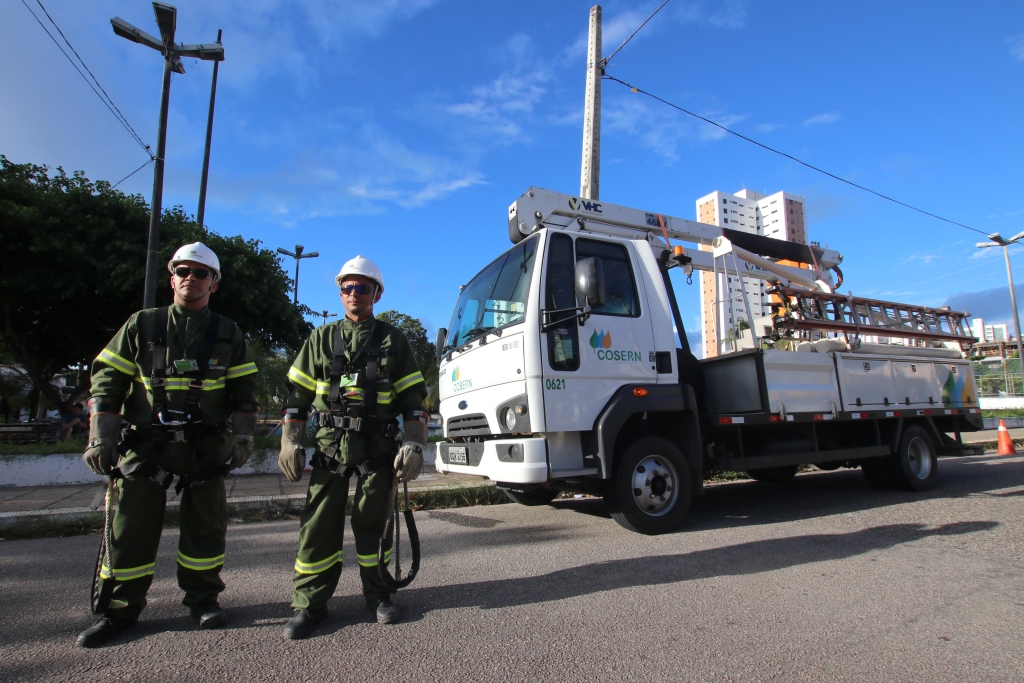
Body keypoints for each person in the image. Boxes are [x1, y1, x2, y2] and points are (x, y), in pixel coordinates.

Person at [76, 242, 259, 649]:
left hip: (204, 447)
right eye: (183, 271)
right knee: (131, 530)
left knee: (206, 528)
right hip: (145, 447)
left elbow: (245, 390)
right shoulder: (142, 324)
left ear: (214, 283)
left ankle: (204, 601)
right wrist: (101, 436)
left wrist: (244, 436)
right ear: (171, 277)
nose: (190, 279)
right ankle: (119, 611)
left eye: (200, 273)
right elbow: (107, 381)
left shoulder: (228, 332)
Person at [278, 255, 428, 640]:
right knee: (317, 528)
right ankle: (309, 605)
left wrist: (413, 443)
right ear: (339, 291)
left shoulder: (394, 340)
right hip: (330, 450)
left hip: (378, 451)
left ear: (377, 293)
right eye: (348, 286)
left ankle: (379, 595)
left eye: (363, 287)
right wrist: (290, 439)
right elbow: (297, 395)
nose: (354, 293)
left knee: (374, 526)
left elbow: (413, 399)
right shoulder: (320, 338)